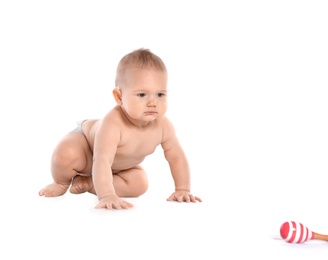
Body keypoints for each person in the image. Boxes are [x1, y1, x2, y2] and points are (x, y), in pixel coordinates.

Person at [39, 48, 202, 210]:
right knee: (65, 155)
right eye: (142, 95)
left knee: (139, 184)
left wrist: (182, 189)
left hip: (117, 168)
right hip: (86, 148)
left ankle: (89, 183)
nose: (153, 102)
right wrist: (107, 195)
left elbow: (177, 158)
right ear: (119, 97)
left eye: (160, 94)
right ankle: (61, 182)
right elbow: (101, 160)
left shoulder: (163, 126)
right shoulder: (113, 124)